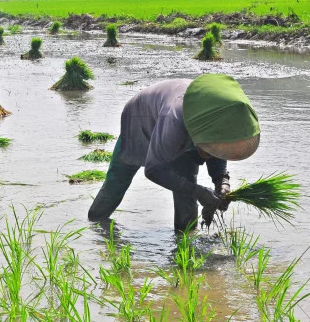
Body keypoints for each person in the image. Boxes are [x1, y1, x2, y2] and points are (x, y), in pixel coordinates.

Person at [87, 74, 261, 231]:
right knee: (120, 176)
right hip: (141, 118)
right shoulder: (173, 120)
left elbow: (220, 151)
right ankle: (95, 224)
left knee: (186, 186)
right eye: (208, 151)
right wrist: (199, 192)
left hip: (187, 126)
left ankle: (186, 239)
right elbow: (153, 170)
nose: (211, 156)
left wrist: (222, 182)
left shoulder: (216, 121)